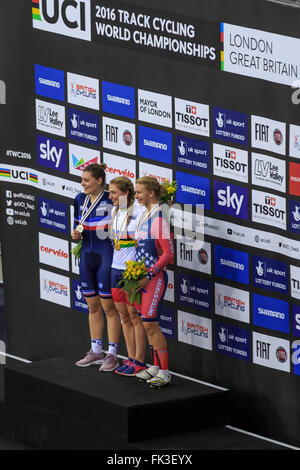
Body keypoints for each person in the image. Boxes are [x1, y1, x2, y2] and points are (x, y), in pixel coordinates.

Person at [72, 163, 121, 372]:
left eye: (86, 180)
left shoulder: (113, 197)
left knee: (109, 308)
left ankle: (112, 354)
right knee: (92, 306)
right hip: (87, 255)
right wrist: (75, 235)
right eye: (82, 180)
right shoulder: (79, 199)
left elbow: (128, 223)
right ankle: (96, 350)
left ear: (99, 180)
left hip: (106, 255)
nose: (82, 184)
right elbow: (77, 228)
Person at [133, 176, 175, 388]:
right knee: (145, 323)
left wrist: (149, 275)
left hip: (154, 278)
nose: (136, 196)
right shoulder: (146, 214)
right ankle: (155, 367)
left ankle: (165, 372)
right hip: (141, 278)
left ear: (151, 193)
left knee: (150, 323)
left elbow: (169, 254)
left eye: (139, 192)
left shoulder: (159, 218)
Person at [108, 177, 148, 376]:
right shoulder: (115, 211)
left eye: (114, 192)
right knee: (124, 316)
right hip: (115, 269)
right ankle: (131, 359)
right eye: (110, 192)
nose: (110, 196)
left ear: (125, 193)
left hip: (131, 270)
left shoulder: (140, 211)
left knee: (135, 316)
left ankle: (140, 360)